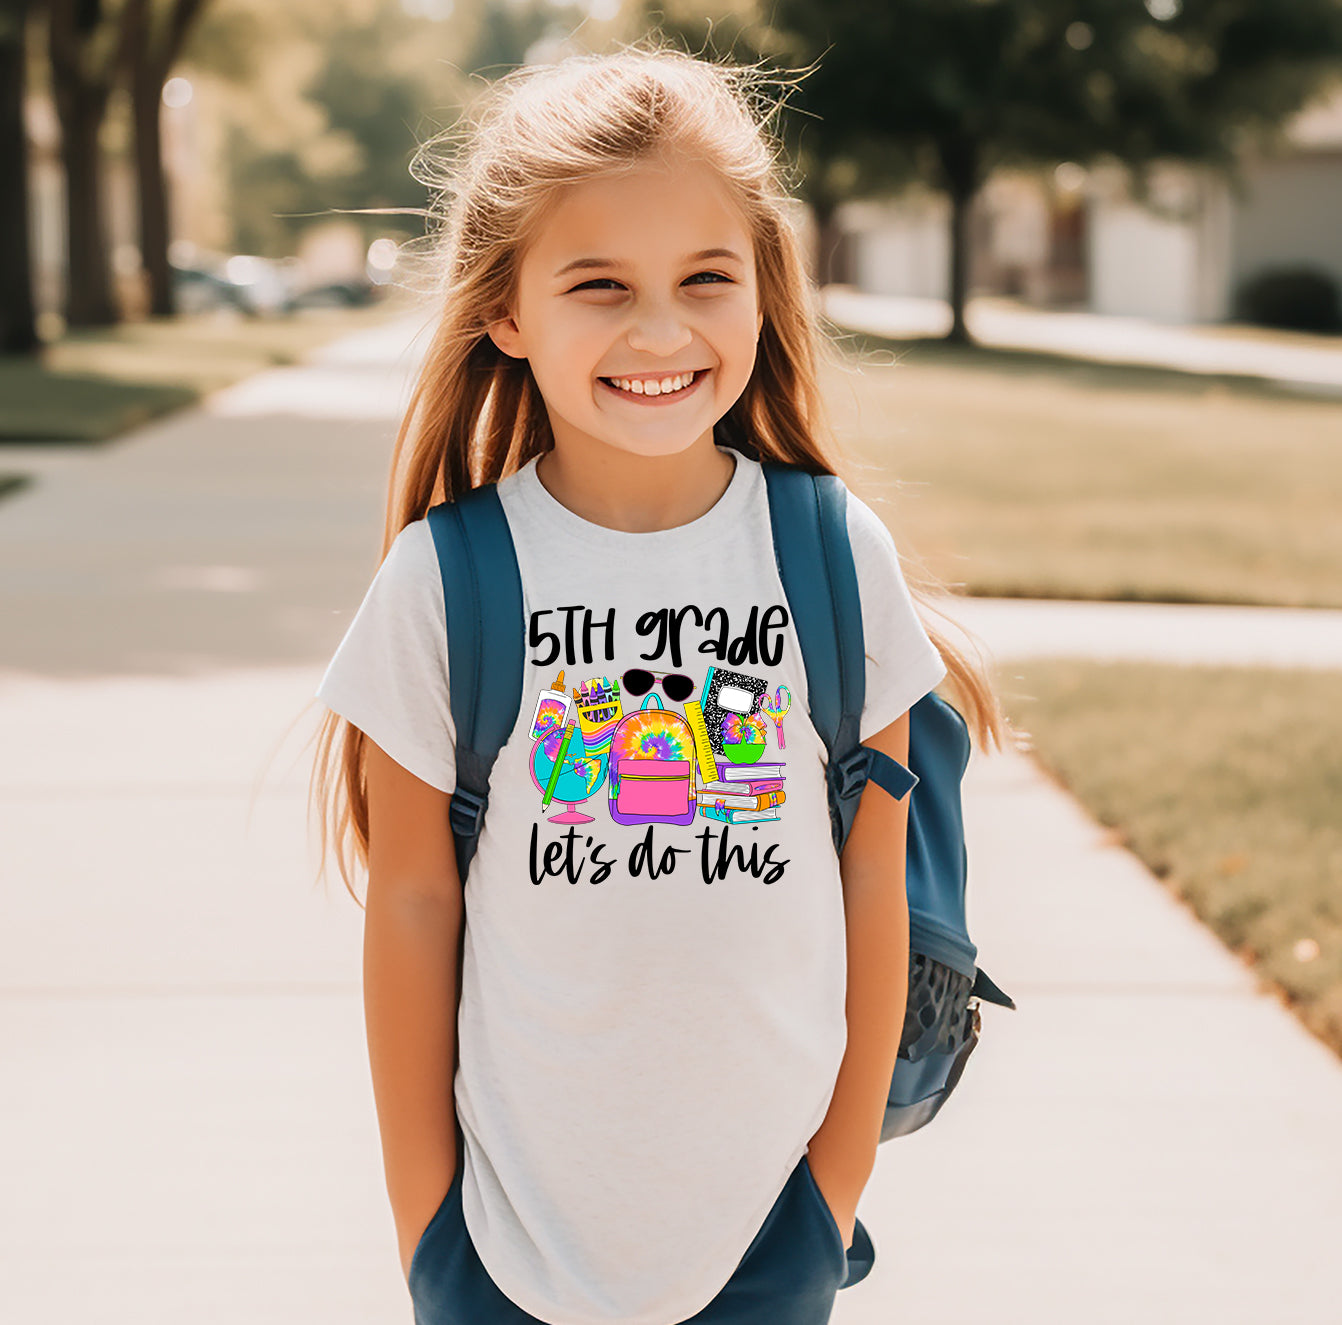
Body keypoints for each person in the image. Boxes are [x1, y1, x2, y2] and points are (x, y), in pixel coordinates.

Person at [309, 42, 1008, 1325]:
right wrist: (428, 1225)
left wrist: (829, 1192)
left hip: (766, 1233)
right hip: (503, 1241)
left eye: (703, 279)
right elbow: (411, 900)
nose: (659, 330)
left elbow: (873, 873)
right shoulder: (448, 579)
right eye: (599, 285)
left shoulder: (831, 554)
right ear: (505, 312)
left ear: (760, 294)